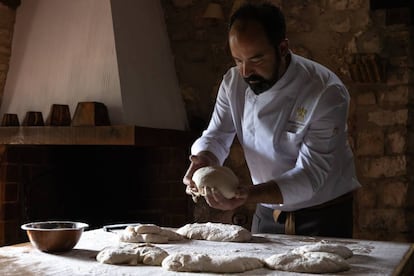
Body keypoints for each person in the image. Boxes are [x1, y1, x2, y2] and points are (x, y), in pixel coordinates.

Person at [183, 1, 360, 238]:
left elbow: (310, 174)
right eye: (238, 60)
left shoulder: (325, 91)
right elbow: (216, 135)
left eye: (256, 60)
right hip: (267, 213)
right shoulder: (233, 83)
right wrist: (202, 160)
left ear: (283, 48)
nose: (245, 72)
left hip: (323, 215)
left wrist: (247, 195)